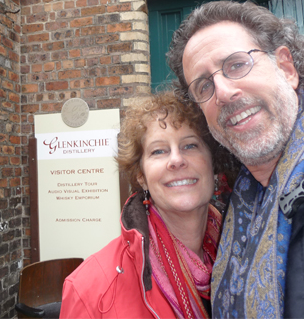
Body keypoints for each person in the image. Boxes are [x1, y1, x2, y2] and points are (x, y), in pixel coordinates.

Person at [167, 0, 304, 318]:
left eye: (237, 64)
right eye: (204, 85)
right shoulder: (237, 204)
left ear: (286, 67)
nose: (224, 92)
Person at [59, 91, 234, 318]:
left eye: (190, 145)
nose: (176, 160)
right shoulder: (90, 288)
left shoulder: (246, 254)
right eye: (158, 151)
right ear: (141, 176)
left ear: (212, 162)